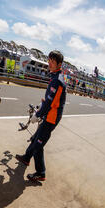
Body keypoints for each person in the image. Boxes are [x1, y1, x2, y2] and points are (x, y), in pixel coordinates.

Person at [16, 50, 66, 182]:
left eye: (53, 61)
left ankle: (41, 172)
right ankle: (26, 158)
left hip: (51, 118)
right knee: (35, 137)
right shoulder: (55, 76)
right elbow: (51, 100)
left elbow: (50, 103)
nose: (49, 63)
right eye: (49, 60)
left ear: (59, 64)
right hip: (49, 114)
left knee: (39, 145)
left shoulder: (58, 81)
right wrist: (41, 105)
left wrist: (37, 115)